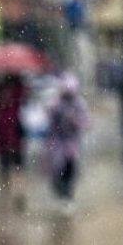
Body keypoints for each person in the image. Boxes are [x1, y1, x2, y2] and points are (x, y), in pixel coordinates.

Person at [46, 72, 89, 201]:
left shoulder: (79, 103)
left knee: (71, 167)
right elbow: (48, 112)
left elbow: (86, 122)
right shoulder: (56, 101)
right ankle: (59, 191)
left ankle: (68, 195)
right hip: (57, 142)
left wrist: (75, 121)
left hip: (72, 142)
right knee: (57, 168)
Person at [0, 73, 28, 209]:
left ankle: (4, 198)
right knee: (18, 167)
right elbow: (25, 100)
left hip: (5, 133)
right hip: (14, 133)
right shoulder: (19, 87)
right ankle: (18, 193)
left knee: (4, 169)